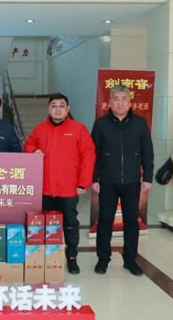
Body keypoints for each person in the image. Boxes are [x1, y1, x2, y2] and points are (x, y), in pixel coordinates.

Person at [23, 93, 95, 274]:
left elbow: (88, 156)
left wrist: (83, 183)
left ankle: (71, 258)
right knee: (44, 225)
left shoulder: (78, 129)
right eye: (53, 106)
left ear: (67, 109)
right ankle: (46, 259)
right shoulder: (40, 129)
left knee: (70, 224)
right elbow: (28, 146)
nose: (57, 109)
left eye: (61, 106)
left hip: (68, 189)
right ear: (49, 109)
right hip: (44, 188)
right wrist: (33, 151)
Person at [91, 85, 154, 276]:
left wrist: (148, 177)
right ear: (109, 102)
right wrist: (94, 178)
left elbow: (148, 152)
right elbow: (93, 154)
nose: (119, 103)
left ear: (130, 102)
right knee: (105, 221)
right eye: (116, 99)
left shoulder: (140, 124)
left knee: (131, 222)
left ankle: (130, 260)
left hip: (132, 181)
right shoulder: (101, 124)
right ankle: (103, 259)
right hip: (107, 181)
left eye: (123, 99)